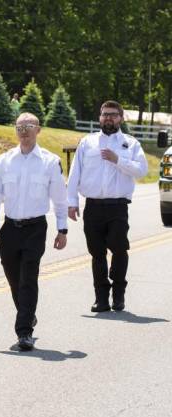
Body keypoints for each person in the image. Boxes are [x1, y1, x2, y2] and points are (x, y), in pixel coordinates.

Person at [0, 112, 68, 351]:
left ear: (38, 130)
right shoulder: (3, 161)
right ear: (15, 131)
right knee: (14, 279)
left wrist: (62, 228)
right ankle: (27, 313)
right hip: (10, 227)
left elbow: (59, 198)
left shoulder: (50, 162)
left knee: (28, 277)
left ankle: (24, 332)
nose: (24, 131)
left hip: (35, 228)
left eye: (29, 126)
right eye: (20, 127)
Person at [67, 100, 148, 312]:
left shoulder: (131, 144)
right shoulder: (88, 142)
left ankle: (118, 295)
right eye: (104, 114)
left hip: (118, 207)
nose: (108, 118)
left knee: (119, 249)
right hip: (93, 207)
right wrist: (72, 202)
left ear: (121, 118)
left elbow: (141, 171)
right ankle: (101, 299)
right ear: (99, 117)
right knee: (97, 253)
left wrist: (118, 159)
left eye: (112, 114)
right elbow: (75, 173)